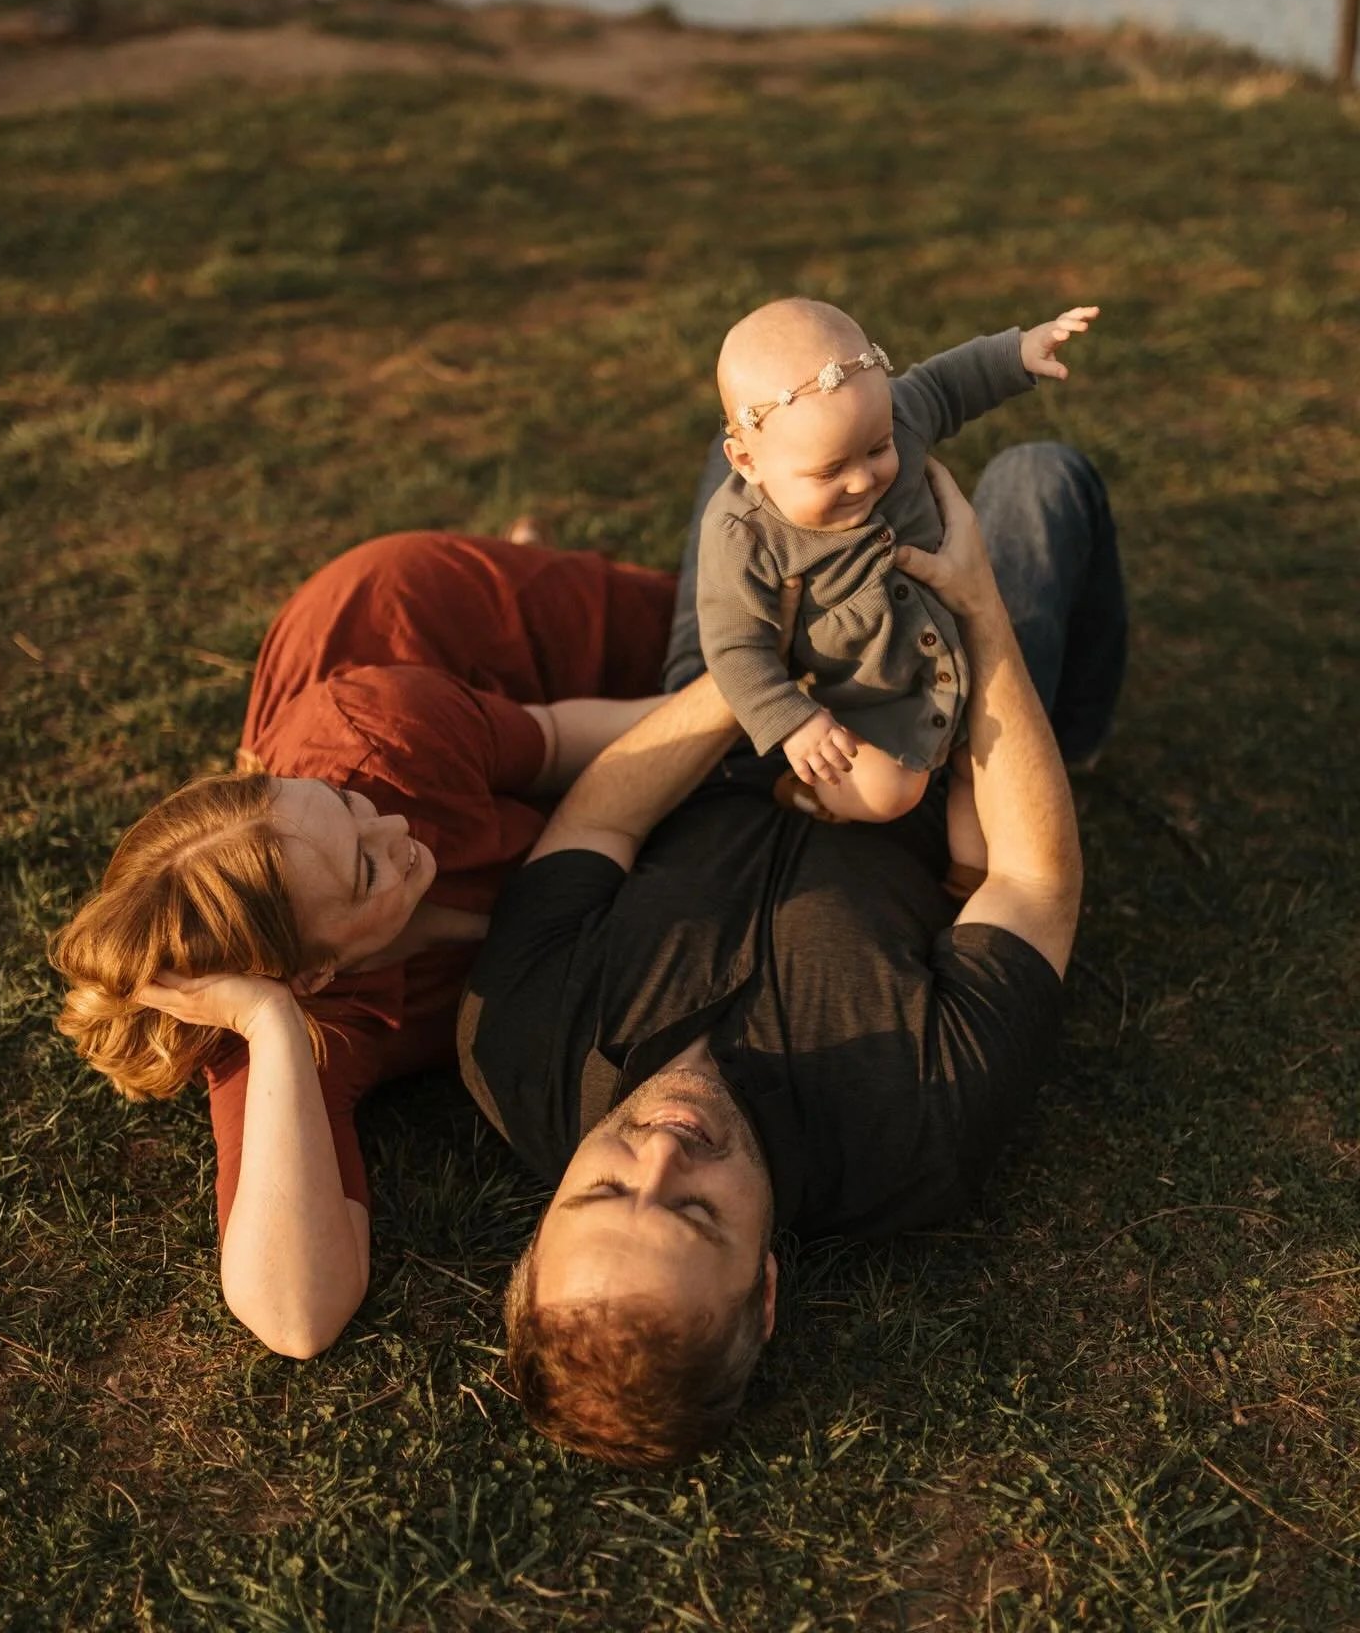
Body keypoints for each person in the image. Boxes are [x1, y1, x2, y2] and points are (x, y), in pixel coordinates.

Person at [459, 440, 1126, 1465]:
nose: (667, 1150)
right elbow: (1032, 885)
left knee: (759, 471)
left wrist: (756, 662)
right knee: (1038, 479)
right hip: (938, 747)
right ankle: (1068, 722)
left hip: (712, 727)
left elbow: (592, 832)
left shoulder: (516, 1053)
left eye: (602, 1189)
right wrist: (980, 614)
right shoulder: (914, 1131)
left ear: (546, 1216)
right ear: (764, 1289)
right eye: (692, 1212)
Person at [50, 531, 675, 1358]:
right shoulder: (306, 1020)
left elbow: (562, 744)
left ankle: (530, 562)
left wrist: (755, 700)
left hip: (429, 623)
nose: (394, 829)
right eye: (363, 869)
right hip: (423, 724)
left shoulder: (385, 752)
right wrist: (269, 1023)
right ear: (313, 972)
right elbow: (297, 1319)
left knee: (717, 633)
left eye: (339, 806)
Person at [699, 297, 1097, 879]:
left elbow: (943, 384)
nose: (864, 479)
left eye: (878, 448)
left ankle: (977, 884)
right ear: (746, 460)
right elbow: (733, 648)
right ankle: (811, 792)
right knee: (888, 795)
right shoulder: (743, 536)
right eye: (829, 471)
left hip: (968, 652)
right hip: (874, 700)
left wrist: (1015, 354)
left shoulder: (897, 417)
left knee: (983, 778)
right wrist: (792, 719)